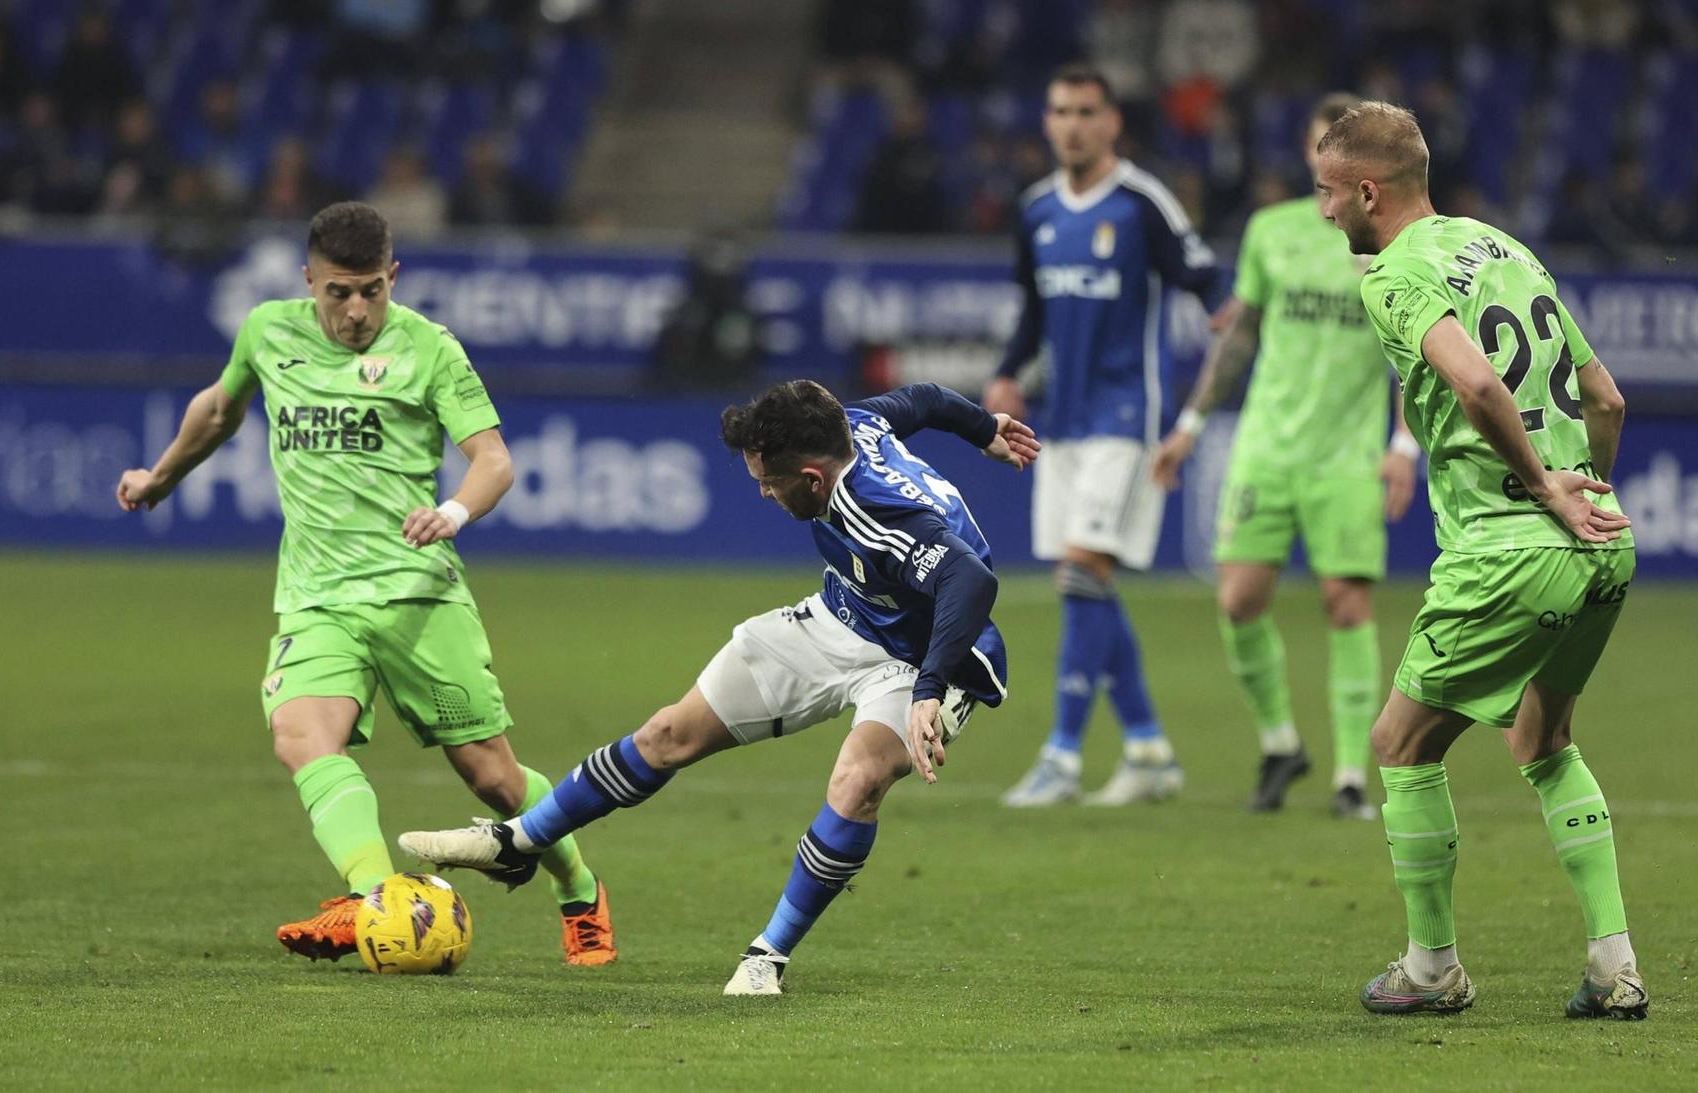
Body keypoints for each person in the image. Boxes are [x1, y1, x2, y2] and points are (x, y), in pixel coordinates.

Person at [400, 380, 1039, 996]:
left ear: (811, 478)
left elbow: (971, 581)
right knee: (668, 733)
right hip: (843, 618)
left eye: (768, 482)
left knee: (858, 777)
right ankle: (517, 844)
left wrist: (928, 689)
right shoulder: (854, 422)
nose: (762, 493)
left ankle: (768, 956)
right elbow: (923, 398)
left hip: (934, 656)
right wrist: (985, 430)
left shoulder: (873, 506)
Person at [113, 202, 615, 967]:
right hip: (317, 598)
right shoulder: (268, 331)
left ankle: (578, 890)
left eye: (373, 291)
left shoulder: (430, 348)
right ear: (308, 279)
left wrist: (452, 511)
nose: (356, 311)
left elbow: (494, 460)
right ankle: (375, 900)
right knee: (300, 736)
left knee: (494, 776)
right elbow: (219, 408)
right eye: (339, 292)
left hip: (418, 596)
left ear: (394, 278)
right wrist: (159, 476)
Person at [1312, 102, 1643, 1020]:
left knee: (1398, 744)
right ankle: (1615, 966)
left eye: (1328, 192)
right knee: (1544, 740)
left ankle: (1430, 970)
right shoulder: (1501, 249)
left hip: (1508, 552)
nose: (1323, 211)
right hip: (1604, 546)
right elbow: (1605, 397)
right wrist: (1586, 493)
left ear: (1368, 190)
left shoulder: (1394, 277)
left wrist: (1542, 491)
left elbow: (1477, 381)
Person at [1150, 93, 1418, 819]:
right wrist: (1191, 423)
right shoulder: (1270, 232)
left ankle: (1352, 777)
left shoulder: (1389, 240)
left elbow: (1412, 352)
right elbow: (1239, 336)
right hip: (1266, 447)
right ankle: (1279, 744)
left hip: (1347, 456)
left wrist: (1403, 443)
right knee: (1237, 599)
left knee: (1346, 603)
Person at [988, 63, 1221, 807]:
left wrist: (1230, 318)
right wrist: (1008, 372)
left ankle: (1061, 755)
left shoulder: (1142, 201)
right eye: (1060, 111)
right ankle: (1148, 747)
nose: (1072, 124)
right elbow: (1033, 309)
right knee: (1088, 584)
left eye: (1087, 111)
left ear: (1113, 121)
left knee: (1081, 574)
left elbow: (1204, 277)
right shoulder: (1035, 211)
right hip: (1061, 420)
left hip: (1127, 416)